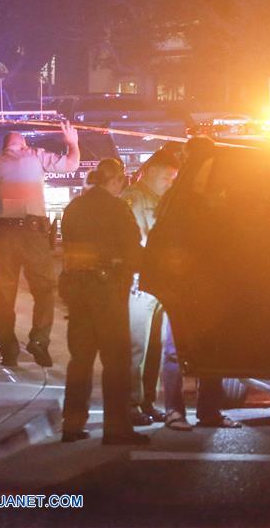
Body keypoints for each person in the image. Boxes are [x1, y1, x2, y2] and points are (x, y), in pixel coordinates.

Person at [145, 136, 241, 430]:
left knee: (203, 347)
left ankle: (201, 411)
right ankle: (179, 410)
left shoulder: (211, 194)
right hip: (188, 283)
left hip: (205, 282)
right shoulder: (182, 195)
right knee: (177, 347)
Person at [0, 121, 80, 368]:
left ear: (4, 147)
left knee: (4, 295)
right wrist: (72, 143)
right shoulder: (36, 156)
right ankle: (39, 341)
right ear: (24, 144)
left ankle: (8, 351)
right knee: (44, 290)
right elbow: (72, 164)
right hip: (33, 233)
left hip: (3, 236)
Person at [59, 158, 148, 445]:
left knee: (80, 360)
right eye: (122, 181)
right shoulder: (117, 208)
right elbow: (133, 250)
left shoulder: (75, 207)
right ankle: (116, 427)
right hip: (108, 290)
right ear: (116, 180)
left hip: (78, 289)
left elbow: (66, 243)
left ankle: (72, 424)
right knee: (116, 362)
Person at [121, 151, 180, 426]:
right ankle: (130, 403)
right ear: (152, 172)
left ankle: (147, 400)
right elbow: (135, 238)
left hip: (159, 281)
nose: (170, 181)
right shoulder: (133, 198)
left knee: (155, 347)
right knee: (136, 346)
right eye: (167, 176)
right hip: (139, 282)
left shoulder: (164, 201)